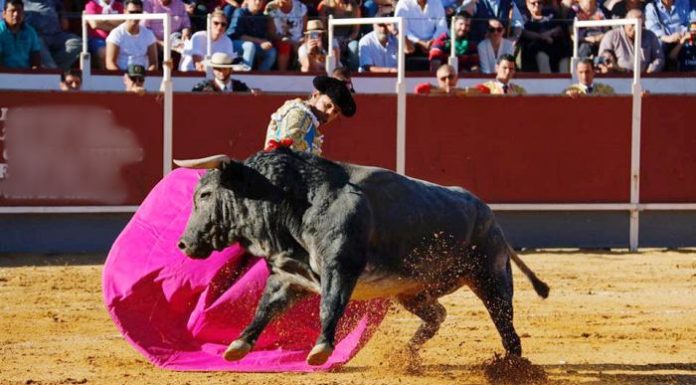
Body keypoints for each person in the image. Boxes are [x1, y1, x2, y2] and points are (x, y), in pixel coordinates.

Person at [264, 75, 356, 155]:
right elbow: (286, 150)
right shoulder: (299, 114)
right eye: (327, 105)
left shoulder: (308, 120)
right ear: (315, 95)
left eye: (335, 112)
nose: (329, 113)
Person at [598, 9, 664, 72]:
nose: (636, 28)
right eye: (633, 24)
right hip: (618, 77)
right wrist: (610, 64)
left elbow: (659, 58)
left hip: (645, 78)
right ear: (625, 22)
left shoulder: (650, 36)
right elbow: (603, 57)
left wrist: (651, 70)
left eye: (640, 25)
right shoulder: (611, 36)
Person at [22, 0, 82, 70]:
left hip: (56, 35)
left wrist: (62, 16)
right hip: (36, 37)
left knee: (78, 43)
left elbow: (65, 24)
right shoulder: (20, 2)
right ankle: (53, 72)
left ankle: (53, 71)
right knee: (37, 43)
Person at [106, 0, 158, 71]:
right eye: (132, 12)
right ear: (124, 12)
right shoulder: (116, 34)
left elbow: (154, 63)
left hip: (143, 78)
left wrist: (143, 79)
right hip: (121, 77)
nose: (135, 16)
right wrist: (125, 79)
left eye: (138, 12)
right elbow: (110, 63)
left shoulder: (148, 34)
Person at [520, 0, 570, 72]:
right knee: (542, 56)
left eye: (539, 3)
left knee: (565, 55)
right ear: (527, 4)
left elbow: (559, 28)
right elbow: (524, 32)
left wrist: (548, 34)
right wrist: (542, 36)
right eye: (533, 3)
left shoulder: (551, 13)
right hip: (536, 48)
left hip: (555, 46)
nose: (537, 5)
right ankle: (548, 80)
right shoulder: (525, 18)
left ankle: (565, 81)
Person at [227, 0, 276, 70]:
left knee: (271, 52)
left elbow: (265, 36)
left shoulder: (261, 16)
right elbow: (238, 35)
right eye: (255, 0)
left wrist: (265, 43)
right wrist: (260, 41)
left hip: (255, 44)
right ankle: (246, 74)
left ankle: (260, 76)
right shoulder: (240, 12)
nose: (258, 2)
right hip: (234, 44)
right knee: (249, 46)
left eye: (260, 0)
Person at [318, 0, 361, 70]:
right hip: (329, 39)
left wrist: (347, 40)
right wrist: (333, 40)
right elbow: (323, 29)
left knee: (354, 46)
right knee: (334, 47)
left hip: (347, 40)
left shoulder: (354, 6)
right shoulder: (325, 5)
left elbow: (355, 31)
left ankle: (354, 73)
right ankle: (334, 72)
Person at [265, 0, 307, 71]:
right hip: (280, 39)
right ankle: (283, 75)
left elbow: (305, 31)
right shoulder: (271, 7)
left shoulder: (301, 7)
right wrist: (289, 41)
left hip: (299, 40)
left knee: (306, 47)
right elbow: (271, 34)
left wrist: (302, 39)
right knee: (285, 46)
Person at [459, 0, 525, 43]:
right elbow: (462, 15)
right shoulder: (474, 1)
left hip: (500, 47)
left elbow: (518, 23)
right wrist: (471, 3)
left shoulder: (509, 2)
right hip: (477, 46)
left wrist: (514, 38)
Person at [0, 0, 41, 69]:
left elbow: (35, 55)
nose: (16, 14)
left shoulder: (30, 32)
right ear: (4, 14)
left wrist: (35, 72)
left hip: (26, 75)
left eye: (19, 11)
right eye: (12, 11)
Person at [84, 0, 124, 69]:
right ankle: (108, 76)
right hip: (97, 39)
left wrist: (103, 20)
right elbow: (94, 24)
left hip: (118, 39)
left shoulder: (119, 5)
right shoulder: (91, 4)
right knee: (104, 52)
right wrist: (114, 22)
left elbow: (123, 23)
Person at [414, 63, 478, 94]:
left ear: (457, 78)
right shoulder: (432, 92)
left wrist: (459, 91)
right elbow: (418, 89)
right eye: (443, 78)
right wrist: (442, 90)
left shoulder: (465, 93)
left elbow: (484, 89)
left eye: (450, 77)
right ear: (438, 80)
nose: (447, 81)